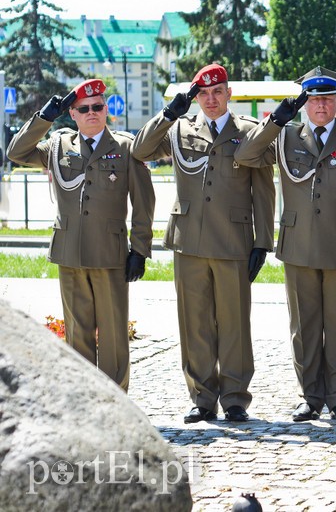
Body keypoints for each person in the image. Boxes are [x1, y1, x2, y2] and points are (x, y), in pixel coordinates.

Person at [235, 67, 336, 422]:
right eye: (313, 99)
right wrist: (274, 122)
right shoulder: (286, 137)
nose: (320, 106)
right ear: (304, 103)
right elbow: (245, 156)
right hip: (299, 244)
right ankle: (310, 395)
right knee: (304, 327)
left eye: (327, 99)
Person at [132, 64, 275, 423]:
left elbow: (263, 190)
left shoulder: (249, 132)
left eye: (217, 92)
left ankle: (236, 398)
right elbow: (141, 149)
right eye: (203, 94)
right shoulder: (180, 128)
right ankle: (202, 397)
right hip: (189, 240)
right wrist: (168, 114)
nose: (210, 100)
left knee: (234, 322)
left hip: (233, 241)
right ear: (195, 98)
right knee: (194, 322)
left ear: (229, 93)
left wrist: (262, 241)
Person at [7, 79, 155, 391]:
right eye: (83, 109)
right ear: (72, 114)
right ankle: (85, 397)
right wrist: (45, 117)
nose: (92, 113)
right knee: (77, 332)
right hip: (70, 253)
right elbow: (16, 152)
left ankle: (116, 400)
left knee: (114, 335)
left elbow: (144, 203)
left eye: (98, 106)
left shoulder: (126, 148)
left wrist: (139, 250)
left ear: (106, 110)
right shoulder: (58, 147)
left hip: (110, 254)